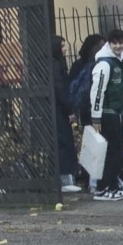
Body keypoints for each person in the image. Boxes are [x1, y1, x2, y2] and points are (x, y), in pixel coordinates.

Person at [89, 28, 123, 201]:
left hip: (114, 112)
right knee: (112, 152)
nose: (118, 46)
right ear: (109, 43)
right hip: (107, 114)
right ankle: (102, 187)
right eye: (115, 42)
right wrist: (96, 117)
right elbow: (97, 91)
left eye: (121, 42)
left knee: (115, 151)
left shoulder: (118, 62)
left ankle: (112, 186)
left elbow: (110, 87)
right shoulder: (104, 64)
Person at [51, 36, 81, 194]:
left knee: (63, 142)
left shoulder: (53, 65)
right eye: (62, 46)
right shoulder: (56, 66)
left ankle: (66, 177)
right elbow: (61, 89)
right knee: (64, 142)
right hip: (60, 110)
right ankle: (65, 178)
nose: (65, 49)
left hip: (57, 109)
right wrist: (70, 109)